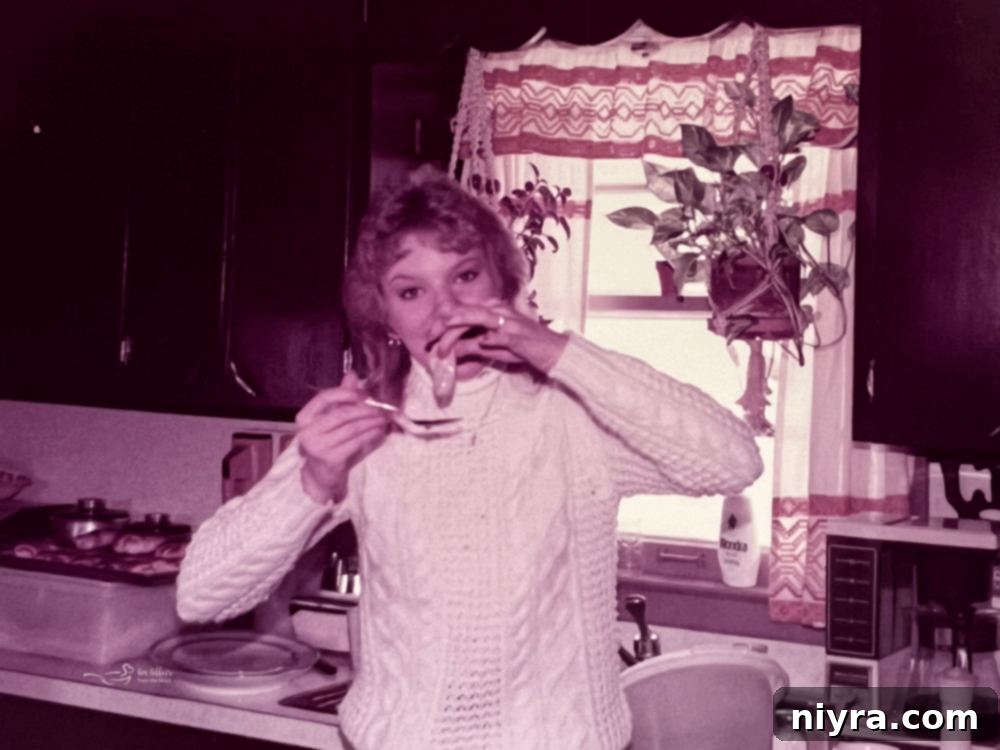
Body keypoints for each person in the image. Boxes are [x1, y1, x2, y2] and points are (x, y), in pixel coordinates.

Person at [176, 171, 763, 750]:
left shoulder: (572, 412)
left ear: (503, 280)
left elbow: (732, 461)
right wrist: (311, 481)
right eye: (411, 291)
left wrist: (554, 349)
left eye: (466, 275)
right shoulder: (367, 423)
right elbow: (201, 596)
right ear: (383, 312)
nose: (446, 310)